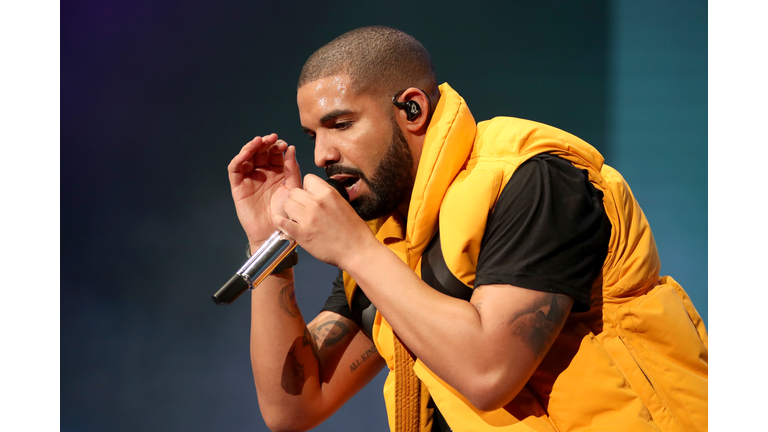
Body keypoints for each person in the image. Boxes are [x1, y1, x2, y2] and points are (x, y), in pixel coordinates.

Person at [227, 26, 708, 432]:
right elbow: (293, 406)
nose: (322, 156)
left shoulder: (528, 177)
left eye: (341, 124)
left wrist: (353, 250)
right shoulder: (385, 240)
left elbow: (490, 371)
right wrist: (269, 246)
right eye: (314, 135)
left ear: (412, 110)